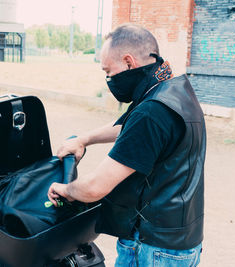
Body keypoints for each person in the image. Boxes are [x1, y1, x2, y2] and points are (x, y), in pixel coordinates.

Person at [48, 24, 205, 266]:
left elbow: (96, 187)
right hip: (183, 241)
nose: (109, 80)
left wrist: (65, 190)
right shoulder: (174, 91)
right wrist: (84, 139)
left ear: (129, 63)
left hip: (153, 249)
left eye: (108, 72)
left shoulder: (152, 113)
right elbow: (132, 126)